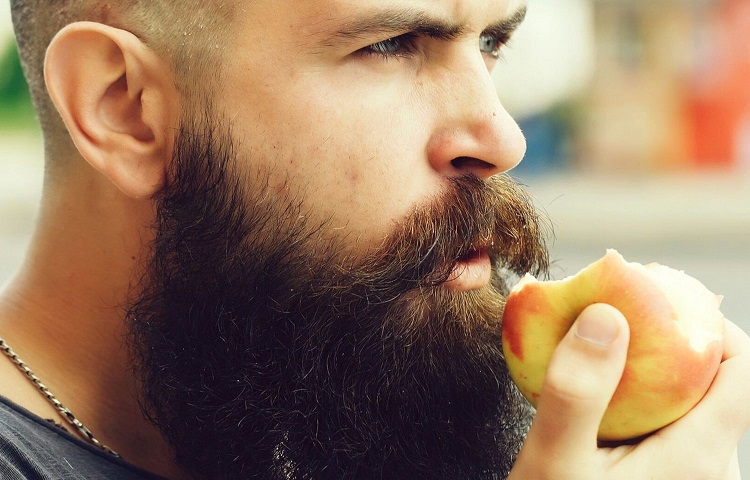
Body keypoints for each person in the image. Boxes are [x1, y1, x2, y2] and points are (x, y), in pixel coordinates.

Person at [1, 0, 749, 478]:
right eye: (392, 44)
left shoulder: (295, 400)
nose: (501, 136)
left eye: (491, 42)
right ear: (125, 107)